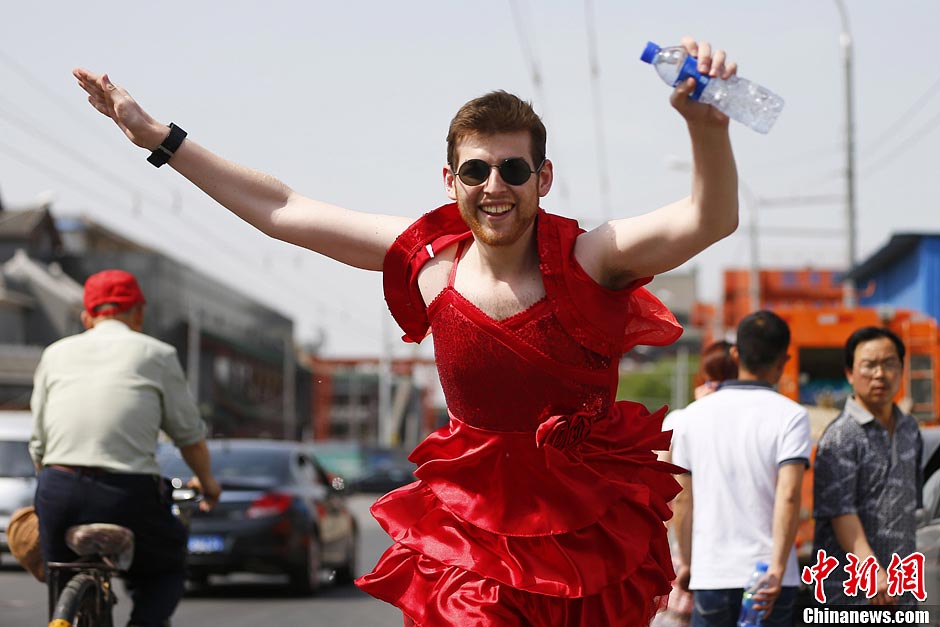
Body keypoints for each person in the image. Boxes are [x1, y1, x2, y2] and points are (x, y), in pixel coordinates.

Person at [73, 36, 740, 626]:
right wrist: (159, 136)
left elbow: (708, 219)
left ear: (544, 178)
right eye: (476, 170)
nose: (495, 186)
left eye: (513, 169)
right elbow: (281, 208)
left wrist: (706, 129)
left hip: (586, 530)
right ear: (452, 181)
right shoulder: (428, 259)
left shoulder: (592, 256)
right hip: (473, 537)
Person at [29, 269, 221, 627]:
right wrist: (208, 484)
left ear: (87, 317)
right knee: (164, 569)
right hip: (127, 493)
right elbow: (189, 437)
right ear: (138, 314)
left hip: (59, 487)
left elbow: (38, 443)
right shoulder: (158, 354)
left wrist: (50, 490)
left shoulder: (54, 354)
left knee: (60, 573)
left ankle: (63, 614)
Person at [671, 311, 810, 627]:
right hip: (771, 577)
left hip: (712, 574)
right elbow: (789, 497)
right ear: (784, 359)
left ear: (735, 354)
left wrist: (691, 562)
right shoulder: (791, 416)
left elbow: (681, 500)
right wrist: (776, 569)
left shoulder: (691, 417)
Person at [812, 326, 923, 607]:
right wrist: (871, 571)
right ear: (850, 373)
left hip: (901, 590)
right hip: (850, 593)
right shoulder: (842, 436)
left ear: (901, 369)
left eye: (889, 364)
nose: (879, 374)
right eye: (869, 365)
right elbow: (840, 511)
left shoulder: (910, 429)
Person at [652, 340, 738, 627]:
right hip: (732, 543)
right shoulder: (747, 419)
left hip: (684, 539)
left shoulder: (683, 419)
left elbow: (664, 485)